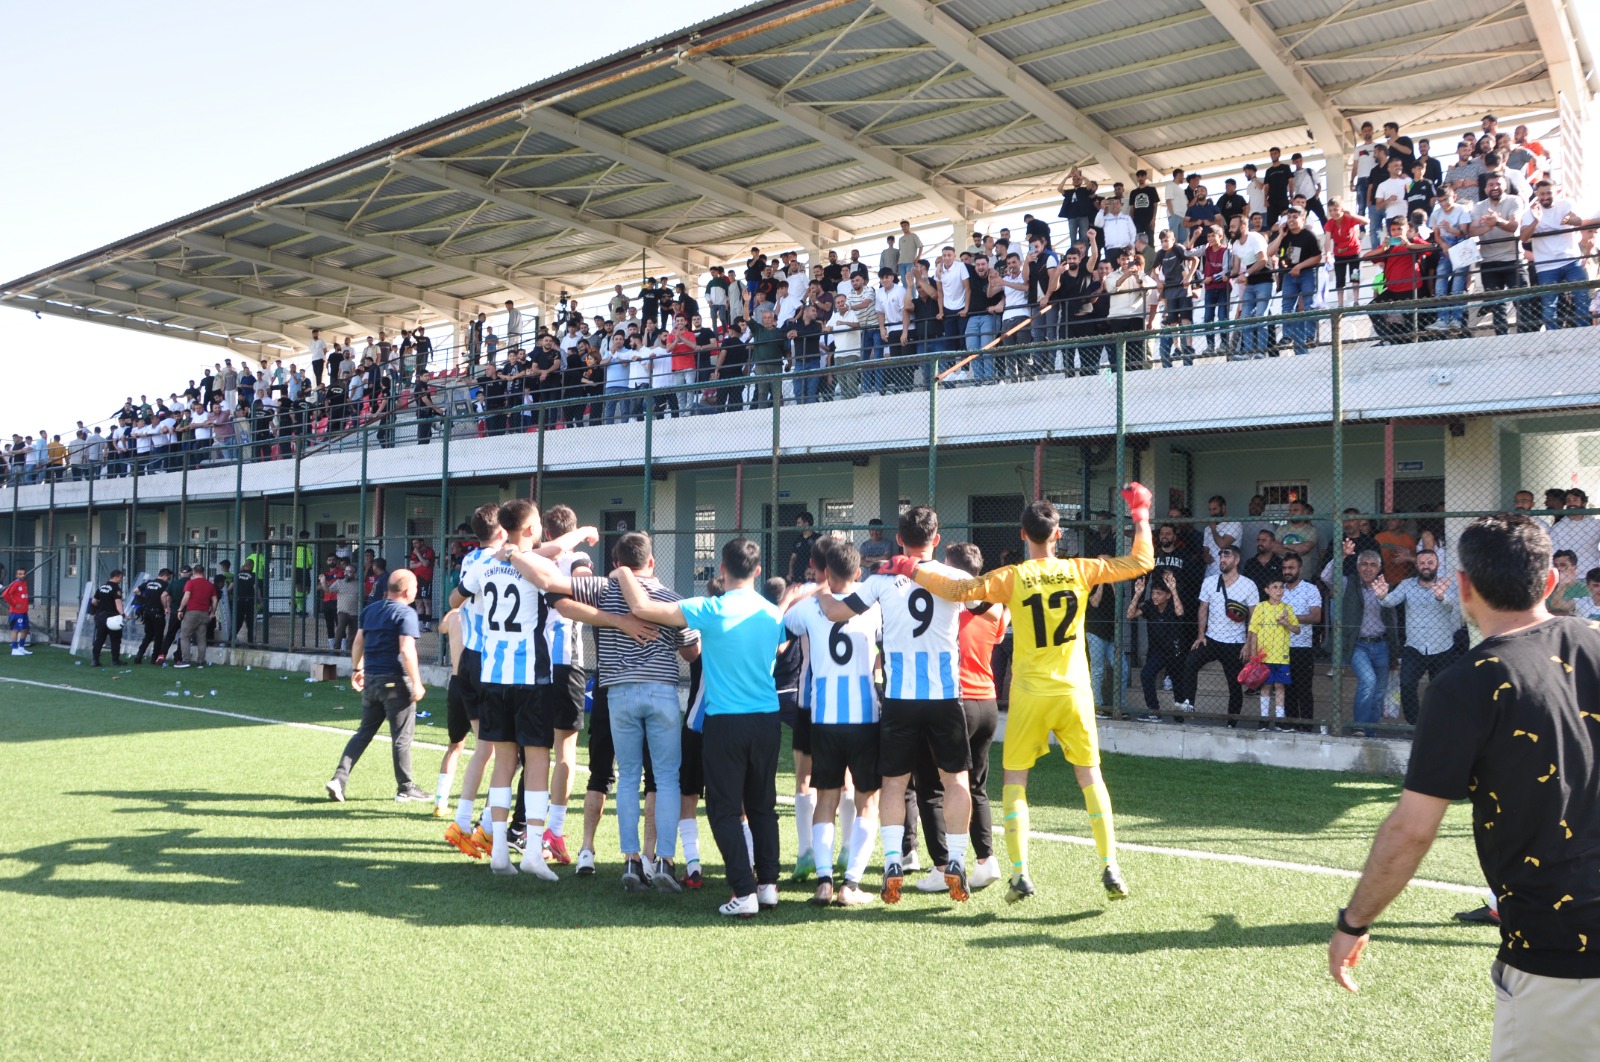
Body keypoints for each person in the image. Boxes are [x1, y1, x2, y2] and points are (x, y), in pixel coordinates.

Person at [1329, 514, 1600, 1061]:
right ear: (1551, 582)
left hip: (1560, 955)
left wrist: (1353, 921)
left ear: (1463, 587)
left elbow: (1410, 831)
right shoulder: (1594, 641)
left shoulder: (1463, 686)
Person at [901, 486, 1153, 903]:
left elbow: (960, 592)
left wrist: (913, 570)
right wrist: (1140, 514)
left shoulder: (1013, 577)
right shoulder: (1080, 570)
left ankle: (1020, 873)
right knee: (1090, 776)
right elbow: (1142, 561)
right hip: (1074, 689)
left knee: (1016, 781)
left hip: (1030, 692)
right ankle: (1110, 864)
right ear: (1058, 535)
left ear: (1022, 535)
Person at [504, 528, 697, 890]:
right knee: (667, 778)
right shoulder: (671, 597)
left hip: (618, 692)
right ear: (652, 562)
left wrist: (514, 554)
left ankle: (631, 859)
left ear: (615, 564)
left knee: (626, 776)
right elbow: (690, 650)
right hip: (662, 693)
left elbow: (556, 595)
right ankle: (666, 862)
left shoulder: (603, 589)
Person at [616, 538, 788, 918]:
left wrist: (623, 571)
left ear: (722, 569)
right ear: (758, 572)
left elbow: (642, 607)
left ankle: (744, 892)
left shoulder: (709, 608)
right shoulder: (773, 614)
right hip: (766, 720)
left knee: (724, 811)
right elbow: (778, 649)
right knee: (762, 807)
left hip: (726, 721)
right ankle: (768, 886)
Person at [817, 505, 976, 904]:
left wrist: (818, 590)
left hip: (901, 699)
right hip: (945, 697)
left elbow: (837, 611)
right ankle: (955, 861)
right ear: (937, 540)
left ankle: (892, 861)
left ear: (900, 538)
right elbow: (991, 610)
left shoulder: (881, 578)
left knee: (895, 782)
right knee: (955, 780)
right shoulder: (955, 576)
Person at [782, 542, 884, 907]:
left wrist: (805, 594)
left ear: (825, 570)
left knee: (824, 796)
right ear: (858, 573)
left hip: (823, 717)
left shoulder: (811, 606)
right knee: (866, 800)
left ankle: (824, 882)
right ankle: (851, 884)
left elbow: (785, 627)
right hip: (864, 718)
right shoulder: (872, 604)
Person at [325, 569, 431, 805]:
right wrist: (417, 683)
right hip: (394, 680)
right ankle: (406, 788)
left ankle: (338, 779)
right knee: (401, 737)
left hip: (371, 679)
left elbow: (358, 641)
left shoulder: (371, 609)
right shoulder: (406, 613)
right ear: (406, 590)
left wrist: (357, 669)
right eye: (414, 586)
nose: (416, 590)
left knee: (364, 733)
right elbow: (406, 650)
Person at [1375, 548, 1462, 725]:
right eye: (1422, 563)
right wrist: (1382, 594)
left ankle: (1439, 725)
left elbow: (1453, 604)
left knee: (1442, 690)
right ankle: (1415, 724)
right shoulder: (1407, 584)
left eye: (1430, 563)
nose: (1426, 566)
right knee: (1406, 684)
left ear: (1437, 565)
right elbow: (1390, 601)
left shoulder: (1448, 584)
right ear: (1416, 565)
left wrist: (1440, 596)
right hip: (1414, 647)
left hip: (1443, 647)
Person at [1174, 545, 1260, 724]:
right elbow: (1203, 608)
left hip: (1236, 642)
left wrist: (1248, 644)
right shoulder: (1210, 581)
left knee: (1234, 685)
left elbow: (1254, 617)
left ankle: (1231, 722)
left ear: (1236, 560)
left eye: (1227, 556)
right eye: (1221, 556)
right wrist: (1200, 635)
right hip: (1211, 638)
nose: (1223, 559)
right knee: (1190, 662)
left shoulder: (1248, 585)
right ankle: (1189, 703)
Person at [1131, 569, 1185, 722]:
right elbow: (1130, 615)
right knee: (1146, 675)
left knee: (1177, 683)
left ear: (1167, 595)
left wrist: (1173, 590)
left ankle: (1179, 717)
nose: (1155, 596)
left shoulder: (1172, 605)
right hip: (1157, 652)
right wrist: (1137, 593)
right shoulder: (1149, 605)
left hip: (1174, 651)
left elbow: (1180, 612)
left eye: (1159, 593)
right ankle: (1154, 710)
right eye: (1153, 593)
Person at [1246, 577, 1299, 730]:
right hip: (1264, 655)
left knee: (1280, 686)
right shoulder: (1261, 608)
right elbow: (1253, 631)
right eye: (1274, 587)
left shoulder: (1287, 608)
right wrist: (1253, 654)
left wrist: (1286, 623)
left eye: (1281, 587)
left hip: (1282, 656)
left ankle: (1280, 720)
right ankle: (1263, 719)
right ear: (1267, 590)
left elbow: (1297, 629)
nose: (1279, 590)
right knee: (1266, 686)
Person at [175, 565, 218, 669]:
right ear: (203, 572)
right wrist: (212, 612)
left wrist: (180, 609)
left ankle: (186, 660)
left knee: (185, 636)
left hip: (192, 612)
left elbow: (186, 596)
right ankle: (200, 661)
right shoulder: (209, 584)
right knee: (202, 638)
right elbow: (215, 600)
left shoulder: (190, 583)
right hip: (204, 613)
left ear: (194, 572)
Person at [89, 570, 126, 668]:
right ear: (117, 577)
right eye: (121, 578)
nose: (121, 580)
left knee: (99, 639)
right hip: (112, 617)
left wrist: (99, 610)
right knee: (115, 639)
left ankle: (95, 660)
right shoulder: (116, 589)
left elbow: (94, 601)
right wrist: (123, 615)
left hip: (101, 616)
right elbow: (118, 604)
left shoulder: (101, 587)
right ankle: (115, 660)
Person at [4, 567, 31, 656]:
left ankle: (21, 647)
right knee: (15, 630)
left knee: (26, 629)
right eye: (20, 574)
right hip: (16, 612)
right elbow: (5, 595)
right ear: (16, 575)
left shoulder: (24, 583)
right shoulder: (15, 584)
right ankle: (14, 649)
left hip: (24, 611)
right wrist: (14, 604)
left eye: (23, 574)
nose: (22, 575)